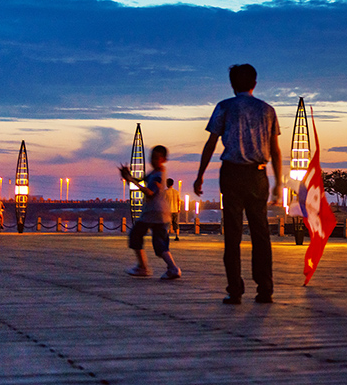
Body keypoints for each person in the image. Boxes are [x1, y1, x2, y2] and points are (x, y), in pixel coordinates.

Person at [194, 64, 282, 305]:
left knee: (232, 234)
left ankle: (235, 289)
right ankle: (265, 288)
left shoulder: (224, 107)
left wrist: (200, 175)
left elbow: (211, 143)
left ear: (233, 84)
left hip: (232, 173)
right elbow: (275, 149)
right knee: (260, 233)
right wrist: (278, 182)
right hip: (258, 174)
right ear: (255, 83)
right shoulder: (267, 110)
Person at [120, 145, 181, 280]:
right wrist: (128, 177)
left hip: (153, 212)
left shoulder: (158, 175)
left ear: (164, 159)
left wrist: (130, 179)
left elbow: (150, 192)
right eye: (151, 157)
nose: (152, 160)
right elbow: (140, 181)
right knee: (160, 243)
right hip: (161, 213)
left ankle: (143, 267)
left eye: (156, 157)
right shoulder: (154, 173)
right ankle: (173, 268)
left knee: (135, 235)